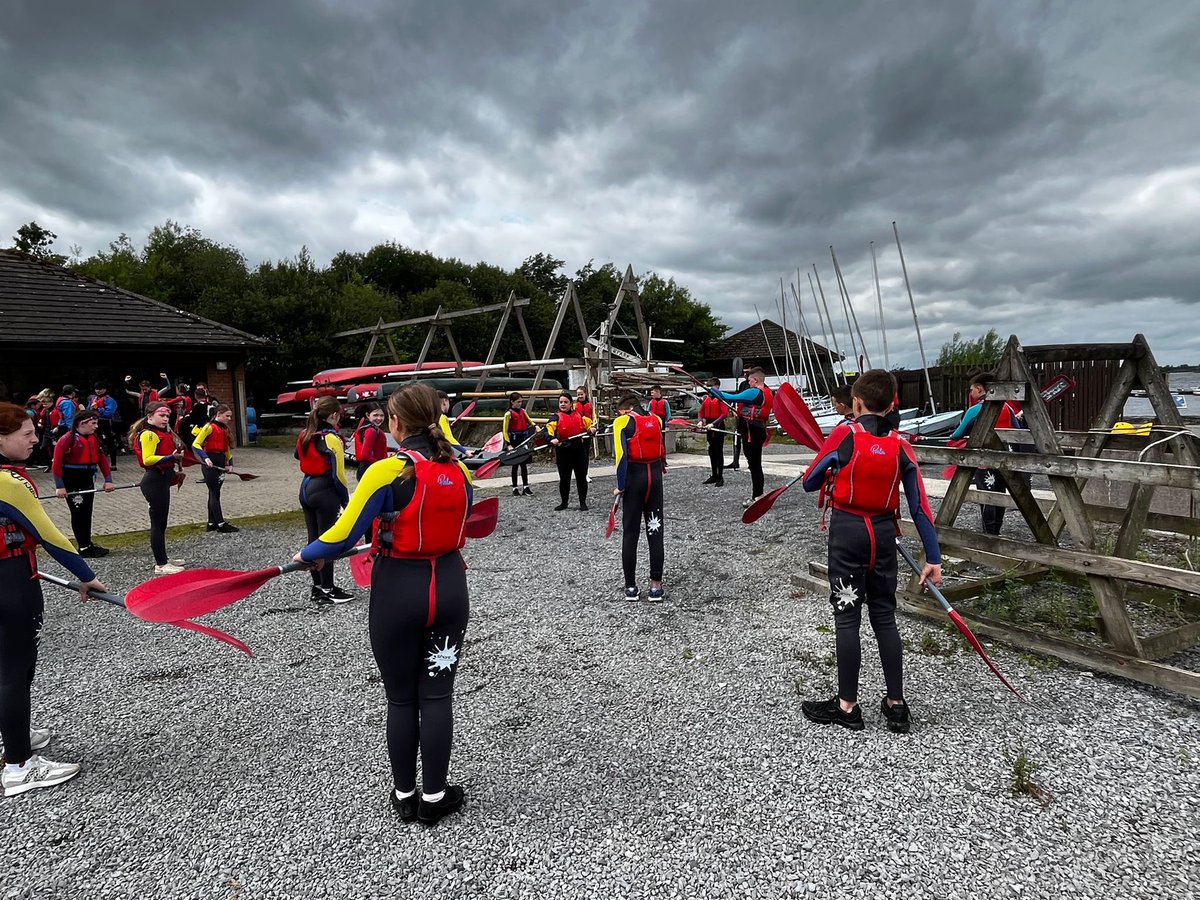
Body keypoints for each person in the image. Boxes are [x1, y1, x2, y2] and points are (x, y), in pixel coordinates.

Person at [294, 383, 472, 825]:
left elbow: (344, 535)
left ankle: (405, 794)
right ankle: (434, 796)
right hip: (449, 588)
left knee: (400, 699)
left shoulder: (386, 471)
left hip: (398, 591)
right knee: (436, 695)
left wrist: (306, 556)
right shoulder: (461, 472)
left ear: (395, 422)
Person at [799, 370, 942, 733]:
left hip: (848, 535)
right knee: (884, 616)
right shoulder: (901, 445)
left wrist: (830, 468)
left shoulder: (843, 434)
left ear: (856, 404)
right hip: (883, 536)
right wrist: (933, 557)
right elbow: (920, 507)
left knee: (848, 618)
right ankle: (896, 706)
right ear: (893, 404)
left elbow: (809, 482)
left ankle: (847, 707)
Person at [0, 401, 106, 796]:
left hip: (8, 575)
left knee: (7, 667)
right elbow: (52, 538)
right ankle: (18, 766)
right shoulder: (8, 482)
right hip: (11, 582)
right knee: (16, 670)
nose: (34, 438)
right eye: (25, 433)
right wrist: (88, 577)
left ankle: (15, 733)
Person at [947, 372, 1024, 536]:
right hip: (1005, 459)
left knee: (986, 497)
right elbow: (1017, 430)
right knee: (1000, 494)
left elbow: (957, 434)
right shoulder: (1007, 407)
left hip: (984, 462)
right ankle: (997, 530)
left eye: (972, 389)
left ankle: (989, 534)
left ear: (980, 389)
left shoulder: (975, 410)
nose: (971, 393)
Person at [296, 396, 354, 604]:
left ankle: (318, 586)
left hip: (305, 488)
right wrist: (345, 499)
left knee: (313, 539)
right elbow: (339, 473)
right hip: (324, 490)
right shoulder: (331, 438)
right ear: (334, 415)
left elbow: (297, 455)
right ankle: (329, 588)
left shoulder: (305, 434)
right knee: (327, 540)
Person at [612, 395, 666, 601]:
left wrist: (620, 486)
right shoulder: (657, 419)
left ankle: (631, 588)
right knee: (655, 531)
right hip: (655, 480)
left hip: (635, 480)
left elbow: (621, 456)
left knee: (631, 533)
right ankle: (655, 587)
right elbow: (661, 451)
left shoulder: (622, 422)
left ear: (626, 410)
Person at [130, 403, 186, 575]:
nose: (165, 419)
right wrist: (172, 456)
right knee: (157, 523)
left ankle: (163, 558)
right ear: (150, 417)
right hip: (154, 481)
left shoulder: (161, 434)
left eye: (167, 416)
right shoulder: (148, 434)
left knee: (162, 523)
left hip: (162, 479)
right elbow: (148, 459)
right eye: (161, 416)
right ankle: (160, 564)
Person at [51, 409, 115, 558]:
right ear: (82, 423)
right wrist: (60, 486)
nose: (96, 426)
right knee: (78, 513)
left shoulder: (94, 438)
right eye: (93, 423)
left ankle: (87, 543)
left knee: (87, 512)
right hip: (72, 479)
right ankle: (84, 546)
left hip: (87, 479)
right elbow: (57, 463)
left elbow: (102, 460)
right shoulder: (67, 439)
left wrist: (108, 480)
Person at [709, 367, 773, 507]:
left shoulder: (755, 392)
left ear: (755, 380)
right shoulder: (765, 392)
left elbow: (731, 398)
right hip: (755, 431)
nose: (748, 383)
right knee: (754, 465)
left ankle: (758, 496)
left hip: (753, 433)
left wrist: (714, 391)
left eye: (749, 380)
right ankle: (758, 494)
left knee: (755, 465)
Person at [193, 404, 239, 534]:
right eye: (227, 416)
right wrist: (205, 457)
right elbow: (196, 444)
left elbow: (227, 448)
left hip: (220, 460)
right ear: (218, 414)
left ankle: (211, 522)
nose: (229, 418)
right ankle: (221, 523)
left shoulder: (224, 429)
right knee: (214, 492)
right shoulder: (209, 427)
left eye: (230, 416)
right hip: (210, 462)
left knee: (214, 492)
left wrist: (230, 463)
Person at [546, 392, 595, 511]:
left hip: (578, 450)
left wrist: (592, 429)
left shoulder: (579, 415)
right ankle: (564, 503)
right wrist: (552, 438)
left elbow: (590, 425)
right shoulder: (555, 417)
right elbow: (548, 431)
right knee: (564, 478)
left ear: (570, 404)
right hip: (563, 451)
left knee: (581, 477)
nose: (563, 404)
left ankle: (583, 503)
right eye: (561, 402)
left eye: (565, 402)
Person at [697, 378, 728, 486]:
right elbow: (700, 412)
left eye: (712, 388)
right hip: (709, 426)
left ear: (717, 387)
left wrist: (714, 423)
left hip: (718, 426)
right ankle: (714, 475)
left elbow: (724, 414)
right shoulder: (706, 400)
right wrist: (700, 421)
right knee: (711, 451)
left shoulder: (720, 398)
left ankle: (720, 477)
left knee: (718, 451)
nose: (710, 391)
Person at [502, 392, 533, 496]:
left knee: (524, 465)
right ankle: (515, 488)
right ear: (512, 402)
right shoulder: (508, 414)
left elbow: (530, 422)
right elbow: (505, 431)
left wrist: (536, 426)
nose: (520, 404)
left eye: (521, 402)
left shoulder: (523, 412)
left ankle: (526, 487)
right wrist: (508, 445)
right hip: (514, 442)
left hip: (523, 440)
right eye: (518, 402)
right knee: (515, 465)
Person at [353, 404, 390, 481]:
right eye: (375, 415)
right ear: (367, 415)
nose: (379, 418)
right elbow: (364, 455)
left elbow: (375, 447)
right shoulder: (371, 431)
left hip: (368, 468)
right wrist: (380, 465)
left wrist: (393, 449)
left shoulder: (371, 428)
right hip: (369, 469)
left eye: (381, 415)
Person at [89, 382, 120, 467]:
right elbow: (89, 409)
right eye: (96, 389)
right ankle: (97, 462)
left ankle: (113, 464)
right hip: (95, 421)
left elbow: (109, 413)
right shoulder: (94, 399)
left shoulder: (110, 400)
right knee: (96, 442)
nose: (98, 391)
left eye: (100, 389)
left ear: (105, 389)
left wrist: (98, 408)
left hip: (106, 422)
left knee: (110, 443)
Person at [436, 392, 472, 458]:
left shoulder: (428, 417)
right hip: (439, 454)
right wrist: (465, 451)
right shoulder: (442, 418)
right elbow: (448, 438)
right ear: (444, 401)